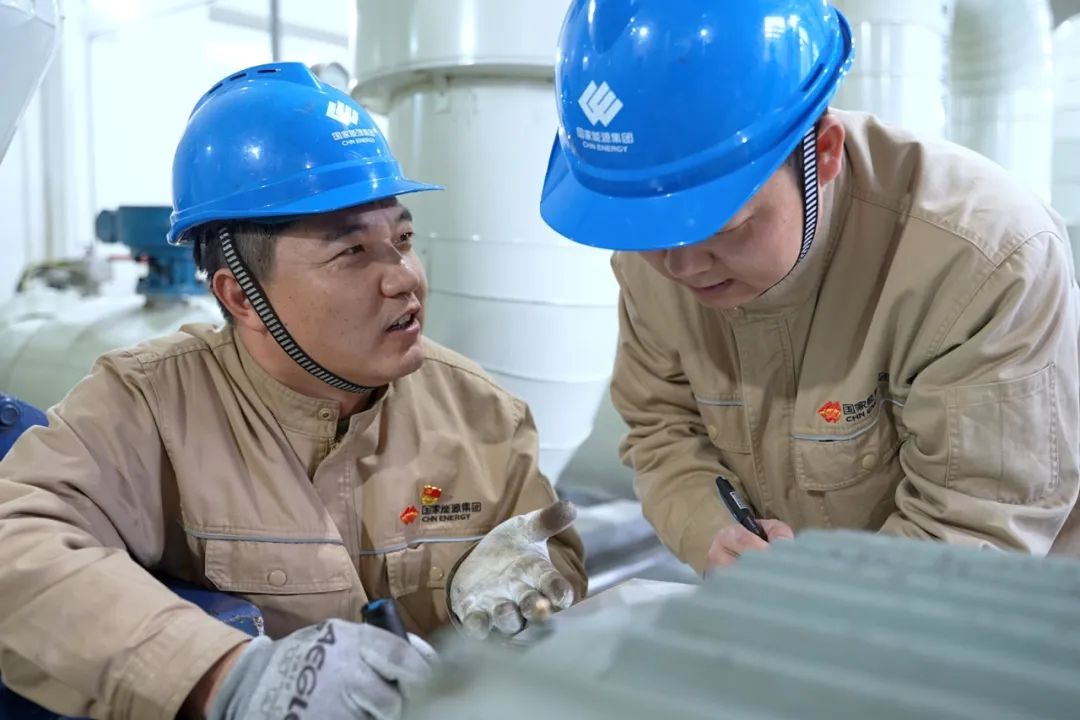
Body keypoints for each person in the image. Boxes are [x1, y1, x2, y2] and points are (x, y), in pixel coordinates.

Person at [0, 62, 586, 720]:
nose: (404, 278)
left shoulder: (483, 416)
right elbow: (15, 543)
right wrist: (224, 675)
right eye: (352, 252)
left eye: (402, 239)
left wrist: (520, 594)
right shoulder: (150, 406)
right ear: (241, 296)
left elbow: (553, 573)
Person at [539, 0, 1080, 576]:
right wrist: (712, 534)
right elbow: (661, 429)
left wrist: (811, 599)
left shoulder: (984, 260)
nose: (681, 266)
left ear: (823, 152)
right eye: (647, 230)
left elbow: (973, 530)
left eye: (721, 227)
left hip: (977, 613)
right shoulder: (656, 252)